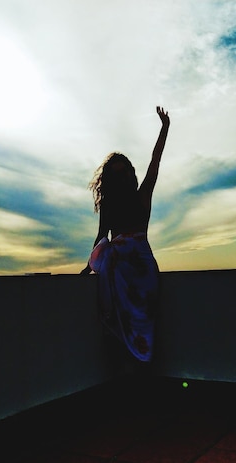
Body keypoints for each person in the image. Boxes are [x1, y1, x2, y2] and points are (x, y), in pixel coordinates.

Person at [81, 106, 170, 365]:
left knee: (145, 327)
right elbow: (100, 239)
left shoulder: (143, 196)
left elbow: (155, 163)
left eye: (126, 172)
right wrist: (87, 268)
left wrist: (164, 128)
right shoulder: (108, 206)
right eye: (116, 174)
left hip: (142, 273)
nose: (123, 177)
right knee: (116, 332)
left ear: (132, 174)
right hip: (117, 273)